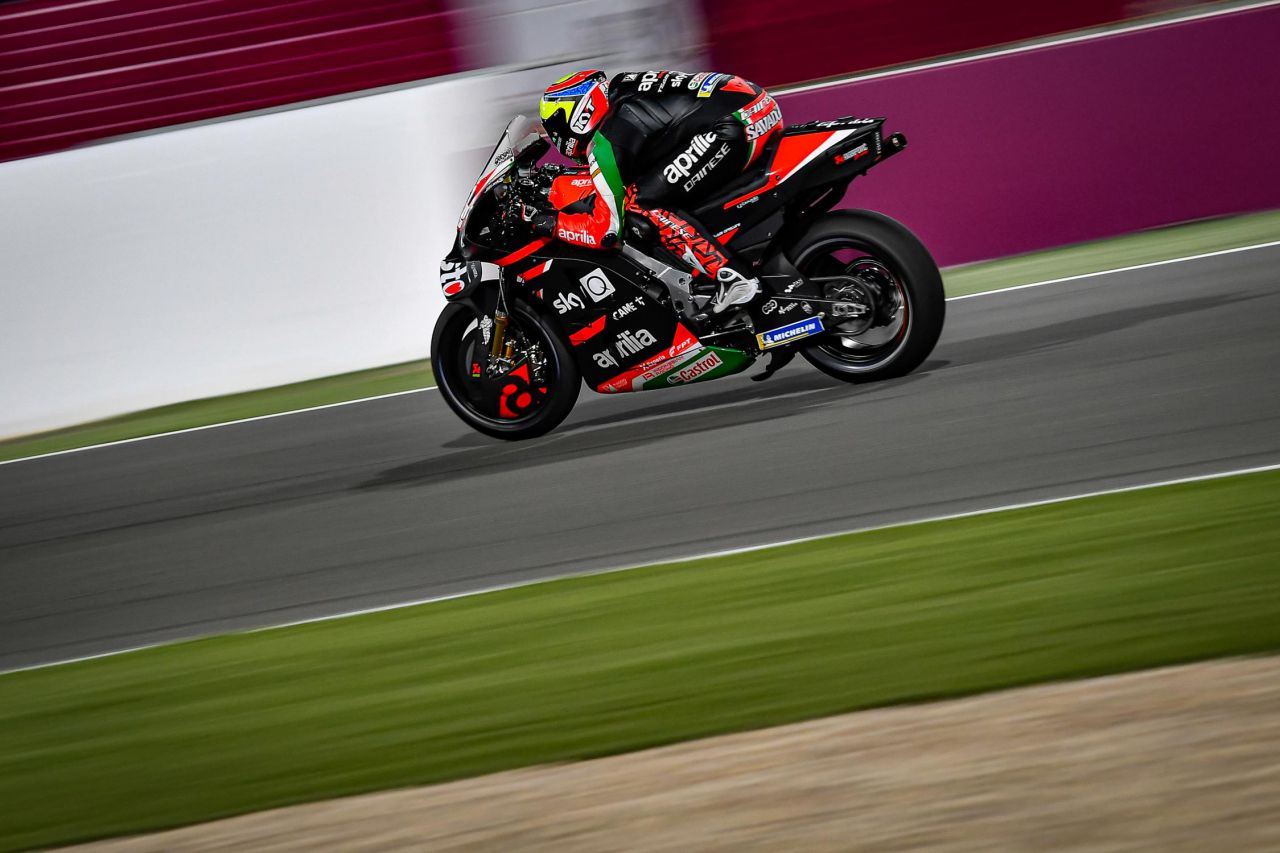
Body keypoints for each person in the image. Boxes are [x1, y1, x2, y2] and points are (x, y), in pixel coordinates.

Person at [529, 69, 784, 317]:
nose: (557, 137)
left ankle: (734, 278)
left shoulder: (605, 141)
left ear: (578, 114)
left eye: (556, 127)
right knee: (659, 184)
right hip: (757, 104)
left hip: (732, 125)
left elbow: (606, 231)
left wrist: (548, 222)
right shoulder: (621, 89)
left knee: (641, 202)